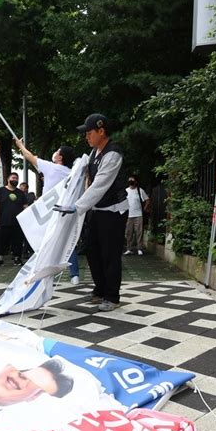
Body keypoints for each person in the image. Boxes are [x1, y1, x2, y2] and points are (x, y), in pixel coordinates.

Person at [54, 114, 127, 311]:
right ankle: (100, 290)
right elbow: (83, 180)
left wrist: (77, 207)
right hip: (96, 210)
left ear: (101, 131)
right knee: (92, 250)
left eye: (89, 133)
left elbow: (99, 185)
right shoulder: (94, 153)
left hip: (113, 211)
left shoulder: (112, 154)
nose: (86, 137)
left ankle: (112, 297)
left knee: (109, 254)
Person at [15, 139, 80, 285]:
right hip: (66, 211)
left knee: (43, 242)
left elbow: (29, 156)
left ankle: (40, 274)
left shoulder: (52, 168)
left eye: (57, 151)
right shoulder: (72, 173)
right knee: (67, 241)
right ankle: (74, 274)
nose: (54, 153)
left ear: (60, 157)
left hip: (49, 213)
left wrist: (20, 145)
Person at [0, 172, 27, 267]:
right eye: (13, 178)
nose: (15, 180)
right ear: (8, 179)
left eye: (16, 178)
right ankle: (0, 259)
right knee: (2, 240)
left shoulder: (21, 193)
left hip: (18, 222)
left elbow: (25, 206)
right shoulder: (0, 191)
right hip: (3, 220)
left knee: (17, 241)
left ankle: (17, 259)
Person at [124, 175, 150, 256]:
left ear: (136, 181)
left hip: (138, 214)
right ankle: (129, 249)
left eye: (132, 180)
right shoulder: (125, 191)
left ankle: (139, 248)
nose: (131, 181)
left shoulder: (139, 190)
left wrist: (145, 209)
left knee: (139, 232)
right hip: (128, 215)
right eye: (129, 180)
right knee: (129, 233)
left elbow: (147, 200)